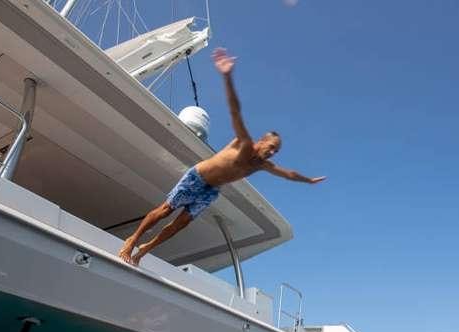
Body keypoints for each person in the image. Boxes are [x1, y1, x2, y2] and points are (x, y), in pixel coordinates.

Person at [119, 47, 326, 265]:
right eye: (271, 147)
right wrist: (227, 76)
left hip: (211, 191)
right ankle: (132, 240)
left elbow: (289, 174)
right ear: (261, 141)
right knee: (165, 211)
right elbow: (235, 111)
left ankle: (145, 250)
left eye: (276, 151)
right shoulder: (244, 142)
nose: (272, 152)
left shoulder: (262, 165)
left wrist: (308, 180)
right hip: (198, 177)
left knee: (180, 224)